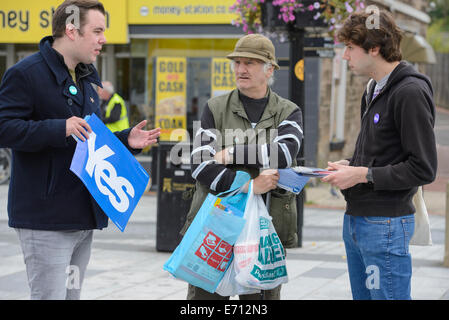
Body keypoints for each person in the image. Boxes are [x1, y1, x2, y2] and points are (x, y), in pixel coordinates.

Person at [0, 0, 160, 300]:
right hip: (45, 218)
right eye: (97, 31)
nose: (103, 39)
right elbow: (4, 128)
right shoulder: (26, 73)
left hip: (81, 214)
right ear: (71, 31)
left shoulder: (86, 79)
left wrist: (126, 140)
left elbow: (90, 139)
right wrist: (59, 127)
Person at [321, 10, 437, 300]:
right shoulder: (372, 88)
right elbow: (381, 153)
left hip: (385, 225)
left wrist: (360, 174)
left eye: (350, 48)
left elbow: (423, 168)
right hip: (357, 220)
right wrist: (351, 165)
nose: (345, 56)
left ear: (374, 48)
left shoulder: (410, 92)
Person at [180, 34, 303, 300]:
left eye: (250, 62)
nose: (240, 69)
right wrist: (249, 186)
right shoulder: (215, 107)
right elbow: (200, 164)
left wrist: (231, 153)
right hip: (215, 229)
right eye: (237, 62)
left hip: (264, 232)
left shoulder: (288, 111)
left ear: (269, 69)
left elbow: (282, 153)